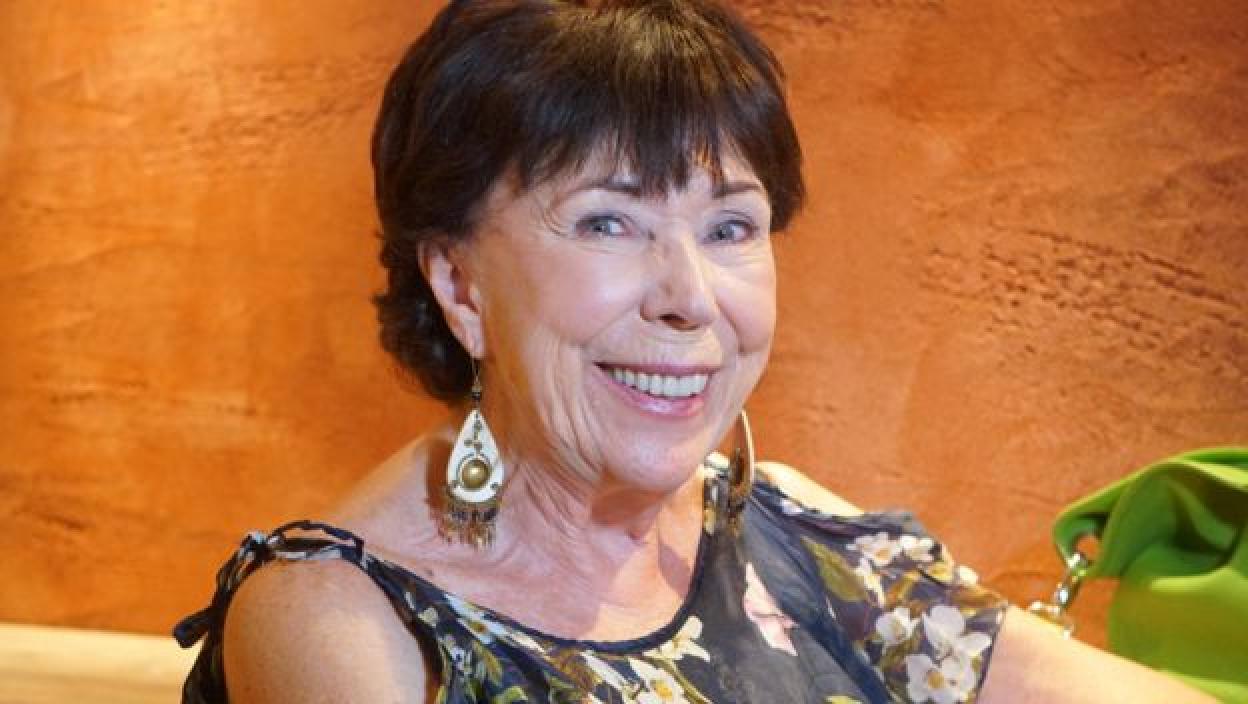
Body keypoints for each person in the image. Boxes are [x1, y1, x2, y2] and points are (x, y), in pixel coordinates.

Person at [174, 1, 1214, 702]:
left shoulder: (802, 540)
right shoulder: (335, 616)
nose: (690, 299)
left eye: (730, 227)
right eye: (608, 222)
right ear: (458, 282)